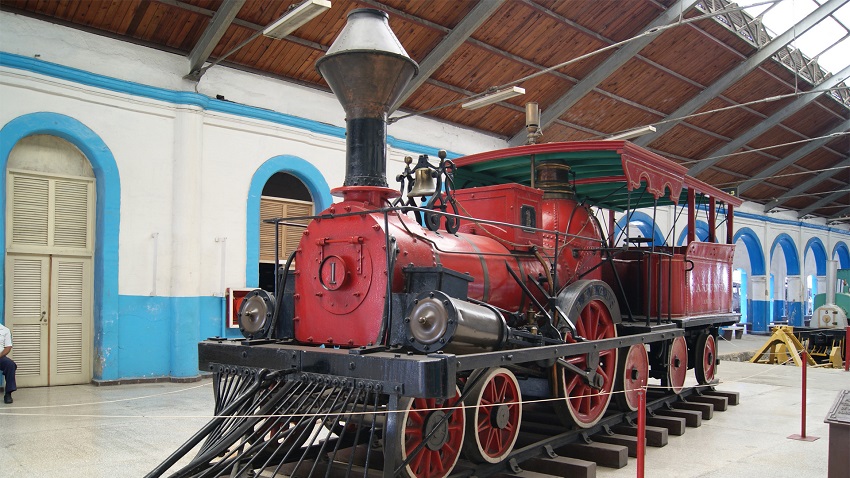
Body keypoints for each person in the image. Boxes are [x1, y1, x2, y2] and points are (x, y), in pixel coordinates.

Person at [0, 322, 16, 404]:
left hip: (0, 356)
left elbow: (8, 347)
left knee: (10, 365)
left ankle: (8, 394)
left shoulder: (5, 330)